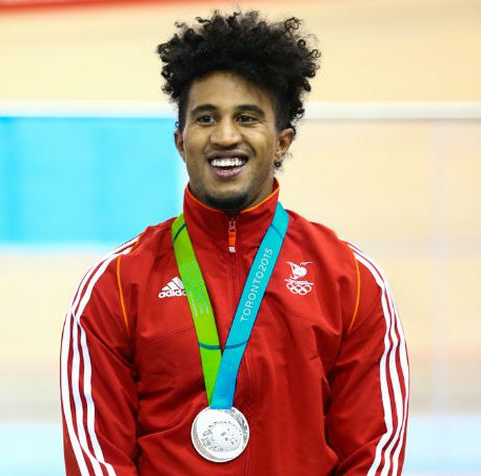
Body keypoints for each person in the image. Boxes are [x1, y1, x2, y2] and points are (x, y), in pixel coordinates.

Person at [60, 10, 409, 476]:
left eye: (247, 118)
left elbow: (374, 450)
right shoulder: (117, 285)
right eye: (207, 118)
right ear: (180, 141)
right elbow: (95, 457)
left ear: (282, 142)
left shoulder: (351, 279)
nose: (226, 136)